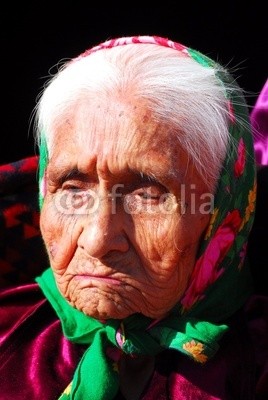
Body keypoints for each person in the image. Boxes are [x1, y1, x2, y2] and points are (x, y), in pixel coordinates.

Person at [0, 35, 267, 400]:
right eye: (74, 189)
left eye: (148, 195)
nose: (97, 239)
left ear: (223, 212)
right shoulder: (10, 336)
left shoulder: (255, 368)